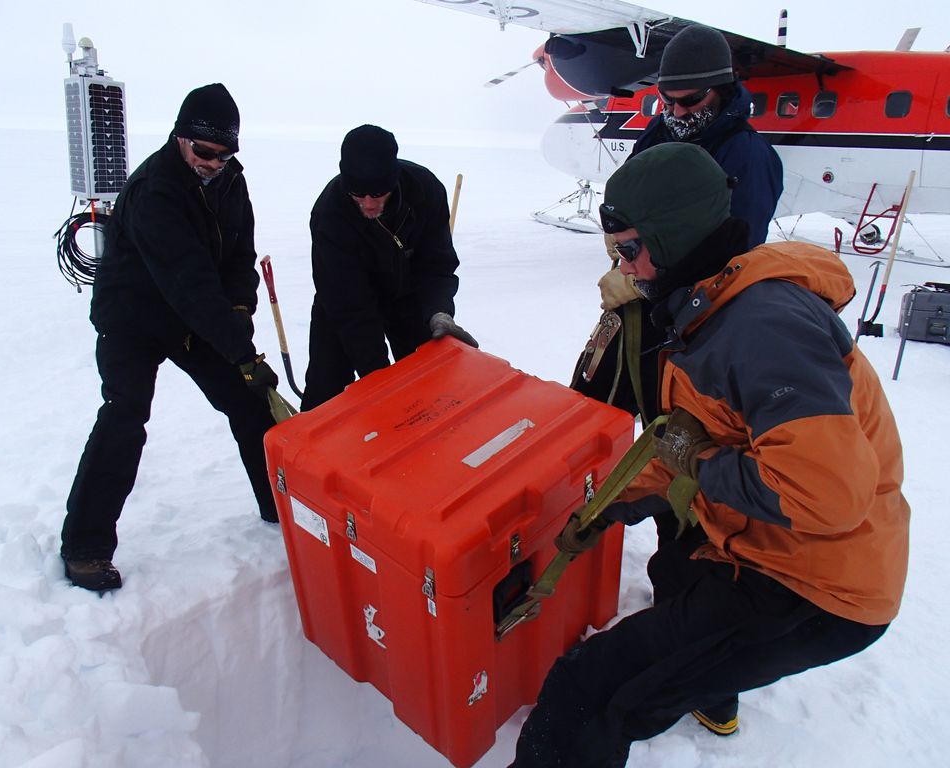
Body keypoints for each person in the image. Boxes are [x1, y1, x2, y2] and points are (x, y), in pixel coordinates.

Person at [513, 142, 910, 767]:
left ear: (670, 238)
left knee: (594, 688)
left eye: (631, 250)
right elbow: (696, 435)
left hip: (811, 584)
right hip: (766, 546)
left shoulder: (763, 329)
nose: (627, 268)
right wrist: (616, 503)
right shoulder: (712, 303)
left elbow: (826, 496)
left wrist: (699, 467)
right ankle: (702, 681)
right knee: (674, 575)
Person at [61, 83, 281, 592]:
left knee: (250, 405)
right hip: (133, 317)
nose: (214, 162)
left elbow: (236, 260)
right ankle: (85, 547)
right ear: (181, 138)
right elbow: (188, 282)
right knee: (125, 414)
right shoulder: (153, 190)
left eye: (225, 154)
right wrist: (239, 350)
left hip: (190, 319)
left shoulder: (229, 182)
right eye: (205, 152)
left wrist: (241, 314)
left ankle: (280, 508)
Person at [575, 23, 784, 423]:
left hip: (694, 320)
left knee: (670, 423)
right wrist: (621, 240)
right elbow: (631, 192)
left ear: (720, 90)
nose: (676, 113)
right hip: (640, 299)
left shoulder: (748, 158)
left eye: (688, 102)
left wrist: (641, 283)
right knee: (593, 400)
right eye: (666, 101)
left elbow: (733, 251)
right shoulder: (661, 132)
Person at [300, 124, 476, 411]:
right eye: (358, 194)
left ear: (393, 181)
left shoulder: (425, 190)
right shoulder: (329, 213)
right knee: (326, 391)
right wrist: (379, 375)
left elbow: (436, 264)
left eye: (378, 193)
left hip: (407, 296)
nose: (369, 204)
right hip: (344, 303)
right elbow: (349, 305)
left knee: (427, 385)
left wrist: (438, 311)